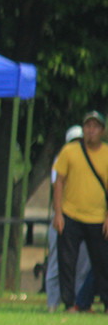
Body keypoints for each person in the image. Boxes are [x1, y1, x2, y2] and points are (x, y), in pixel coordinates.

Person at [52, 110, 108, 312]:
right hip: (70, 215)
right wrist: (58, 213)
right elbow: (59, 182)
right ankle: (69, 304)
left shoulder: (106, 154)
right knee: (67, 263)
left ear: (102, 131)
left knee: (102, 264)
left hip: (97, 218)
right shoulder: (70, 151)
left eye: (95, 127)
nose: (91, 130)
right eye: (87, 126)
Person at [45, 124, 95, 311]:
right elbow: (58, 185)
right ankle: (53, 303)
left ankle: (76, 304)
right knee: (56, 263)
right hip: (64, 216)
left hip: (85, 218)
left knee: (82, 265)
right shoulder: (62, 159)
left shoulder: (93, 159)